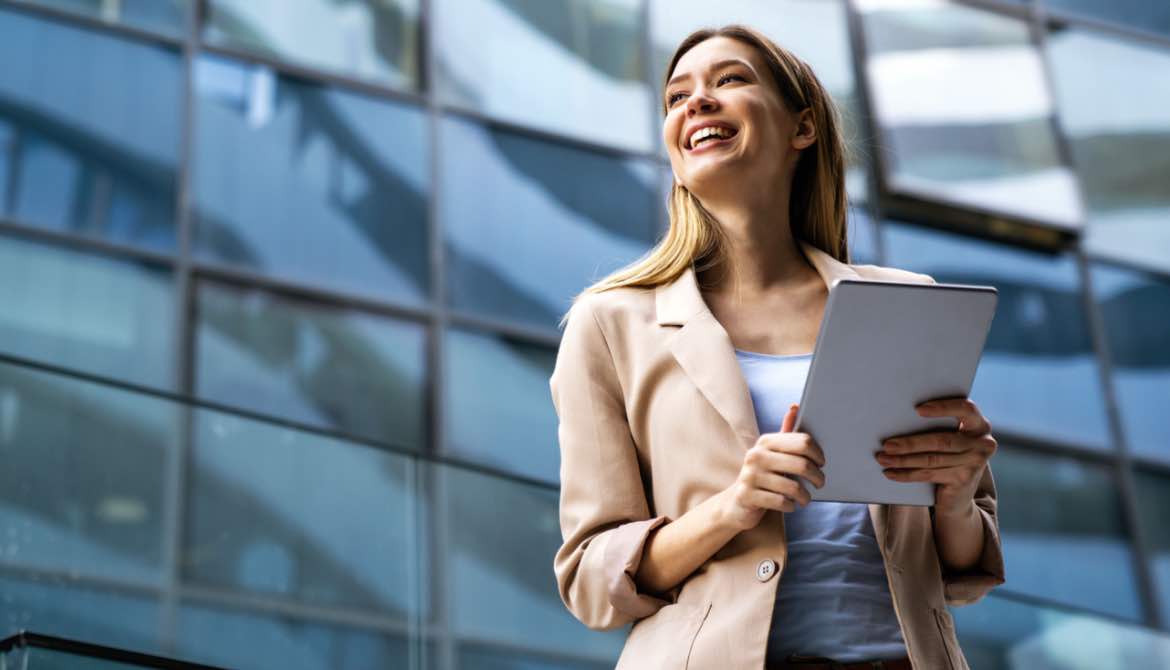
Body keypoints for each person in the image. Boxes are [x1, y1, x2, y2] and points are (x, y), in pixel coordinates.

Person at [550, 24, 1005, 670]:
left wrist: (957, 496)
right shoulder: (612, 323)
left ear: (803, 128)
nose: (696, 103)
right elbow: (592, 580)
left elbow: (964, 570)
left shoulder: (906, 302)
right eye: (677, 97)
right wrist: (733, 508)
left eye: (728, 81)